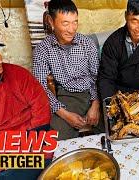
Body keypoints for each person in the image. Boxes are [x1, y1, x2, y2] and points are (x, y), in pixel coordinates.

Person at [0, 33, 51, 179]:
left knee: (41, 160)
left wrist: (30, 141)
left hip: (29, 137)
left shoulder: (17, 73)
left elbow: (41, 105)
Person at [32, 0, 101, 140]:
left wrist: (96, 104)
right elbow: (41, 88)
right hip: (69, 96)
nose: (72, 29)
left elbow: (98, 77)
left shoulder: (87, 43)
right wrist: (65, 114)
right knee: (55, 138)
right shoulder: (43, 49)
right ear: (51, 21)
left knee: (113, 127)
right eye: (65, 23)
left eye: (75, 22)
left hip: (94, 91)